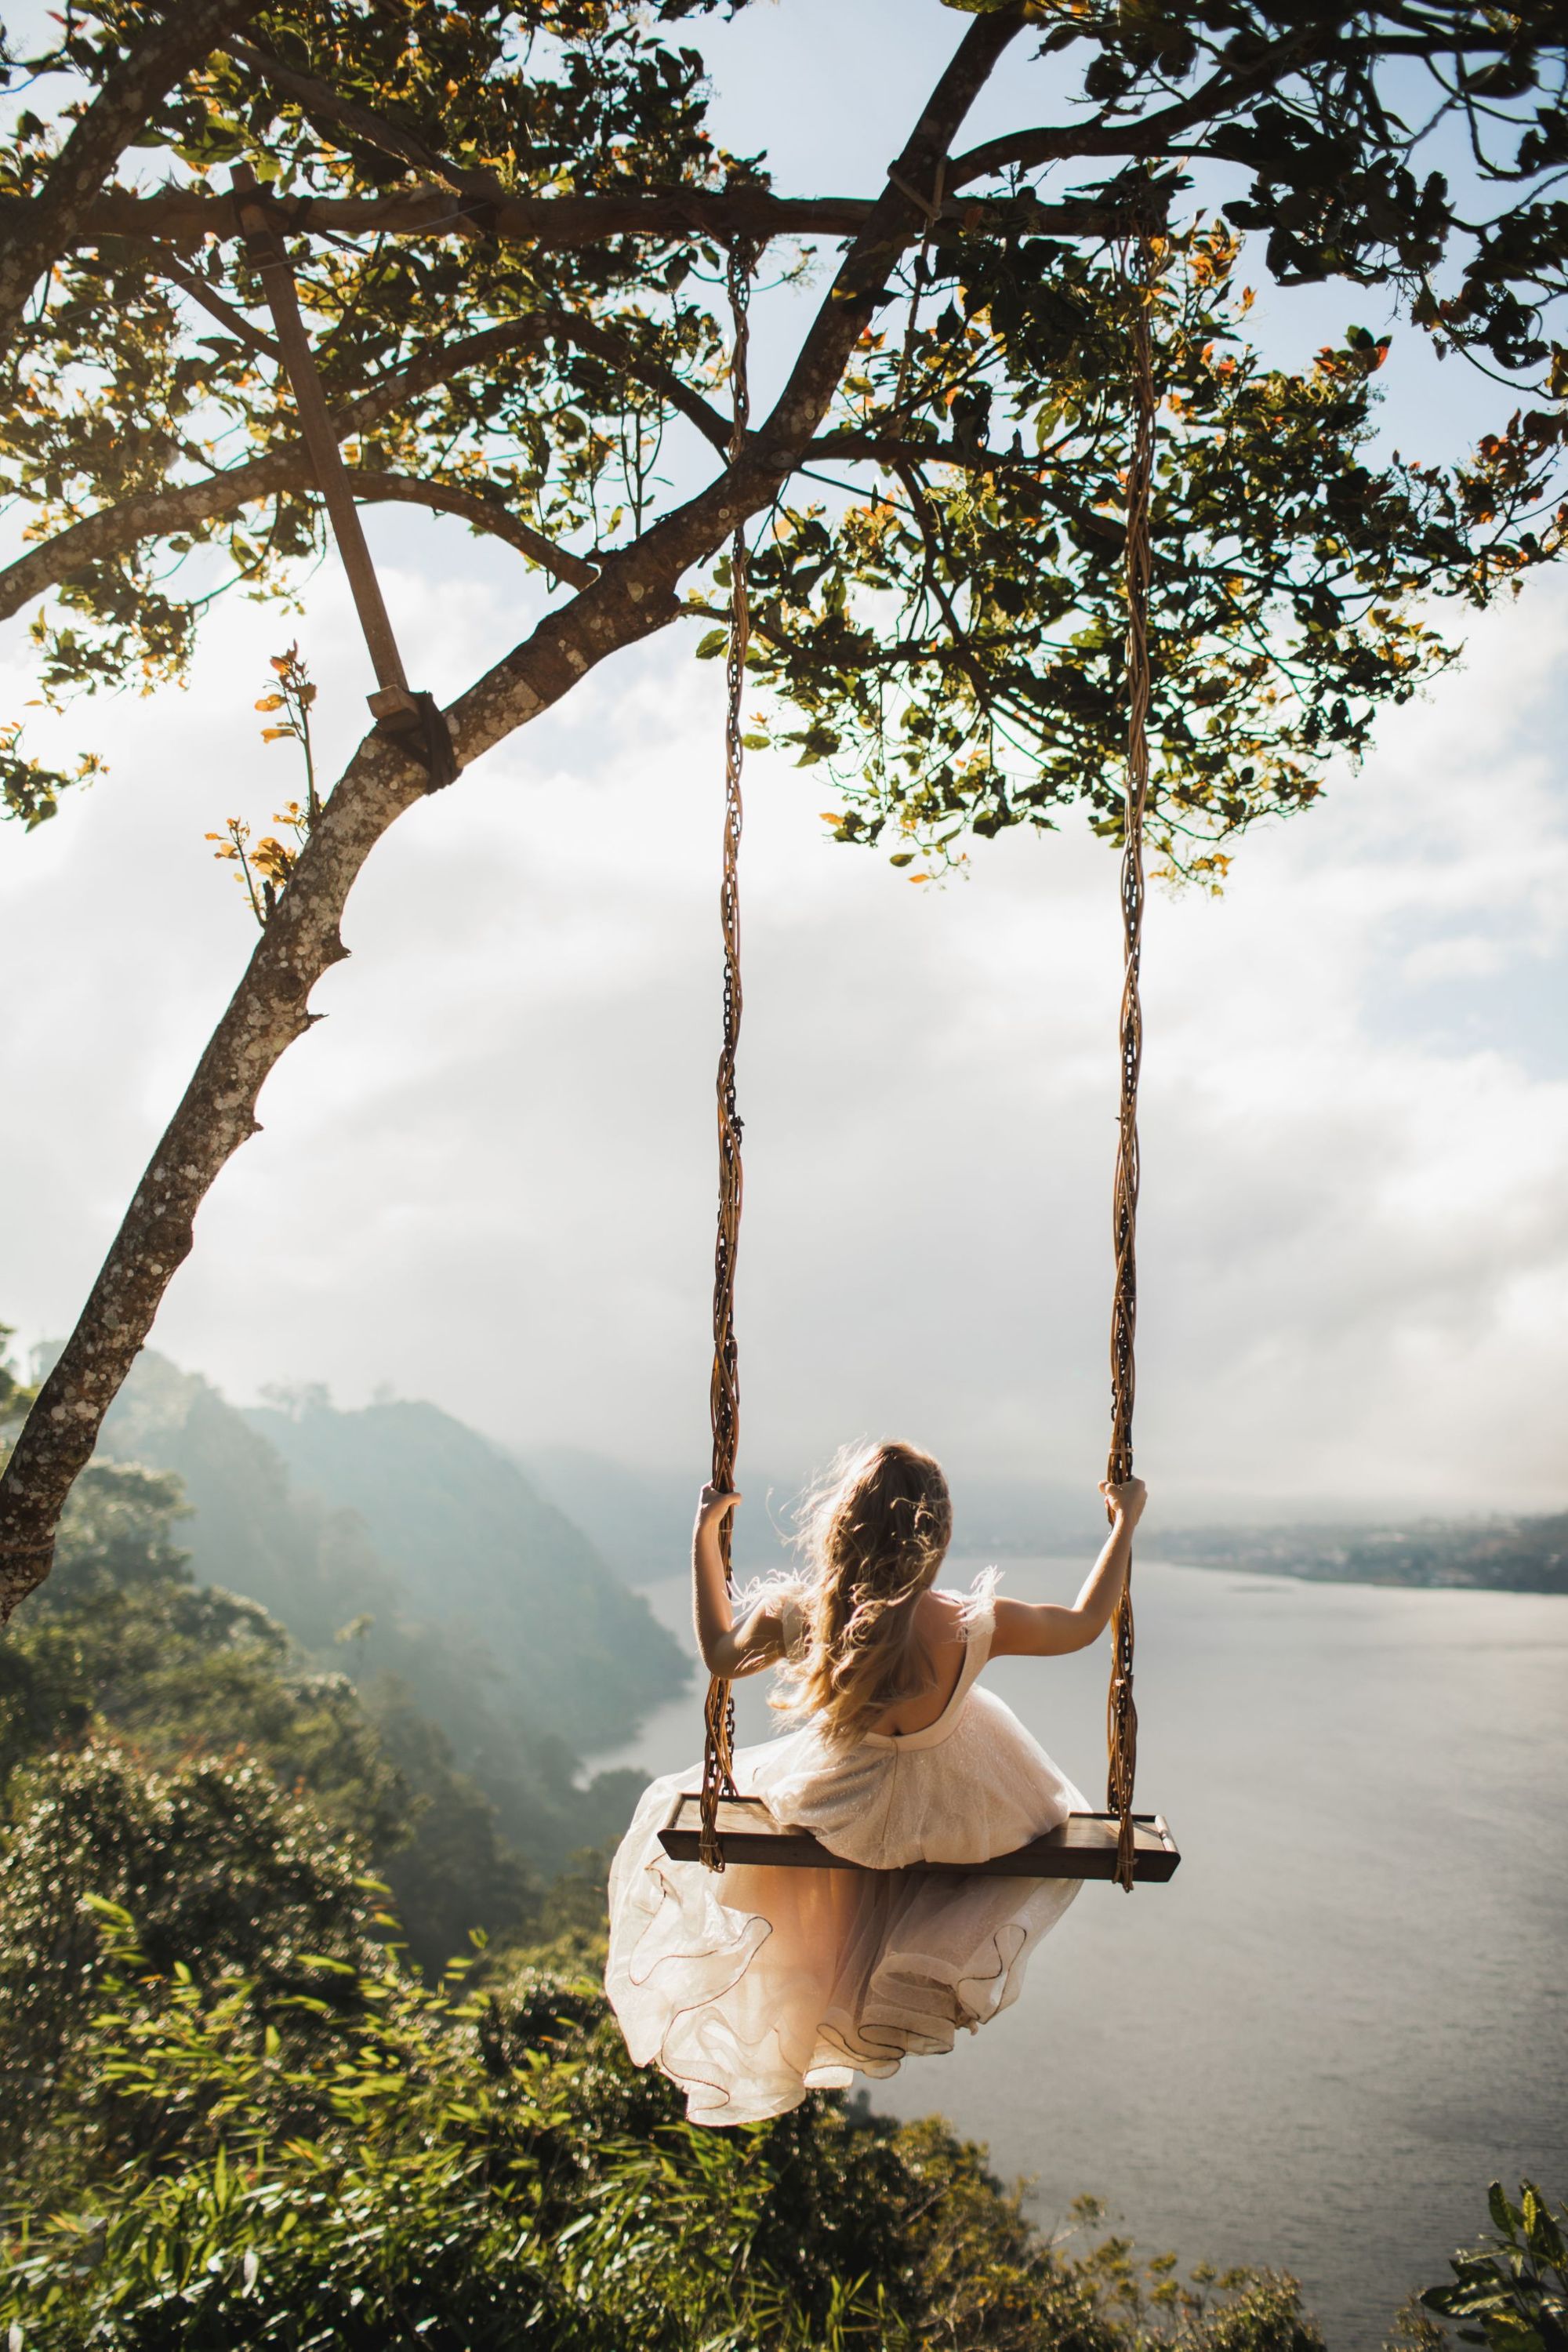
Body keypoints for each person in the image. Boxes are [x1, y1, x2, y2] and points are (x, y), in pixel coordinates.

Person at [605, 1439, 1147, 2126]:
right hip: (961, 1816)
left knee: (789, 1821)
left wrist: (704, 1534)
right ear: (939, 1536)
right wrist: (1125, 1522)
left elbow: (717, 1651)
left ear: (841, 1527)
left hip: (844, 1812)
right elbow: (1081, 1626)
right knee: (984, 1735)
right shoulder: (971, 1623)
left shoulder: (803, 1618)